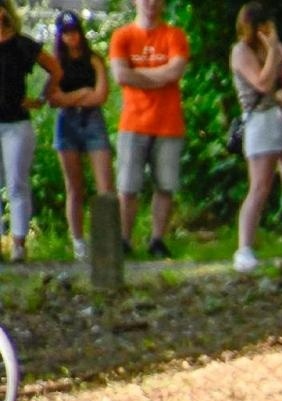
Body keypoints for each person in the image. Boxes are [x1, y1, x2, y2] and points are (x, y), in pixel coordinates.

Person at [229, 3, 282, 273]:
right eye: (262, 25)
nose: (267, 29)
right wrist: (274, 50)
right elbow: (262, 83)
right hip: (260, 119)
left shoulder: (276, 46)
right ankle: (245, 248)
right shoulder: (241, 51)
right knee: (260, 186)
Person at [109, 0, 188, 259]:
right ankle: (123, 240)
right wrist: (159, 75)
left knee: (165, 186)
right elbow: (121, 75)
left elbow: (175, 71)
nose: (150, 3)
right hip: (133, 122)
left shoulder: (174, 35)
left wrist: (139, 75)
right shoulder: (122, 36)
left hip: (168, 123)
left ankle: (157, 240)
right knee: (128, 187)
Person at [0, 0, 63, 263]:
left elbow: (55, 69)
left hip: (16, 122)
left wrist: (40, 98)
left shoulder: (22, 45)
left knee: (16, 182)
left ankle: (18, 242)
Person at [51, 9, 112, 262]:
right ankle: (78, 241)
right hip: (67, 123)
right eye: (66, 34)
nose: (71, 38)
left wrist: (73, 96)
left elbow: (100, 95)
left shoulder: (94, 60)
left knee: (105, 186)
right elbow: (53, 98)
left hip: (93, 121)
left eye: (74, 32)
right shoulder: (56, 64)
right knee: (75, 187)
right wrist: (82, 93)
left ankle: (107, 240)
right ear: (61, 37)